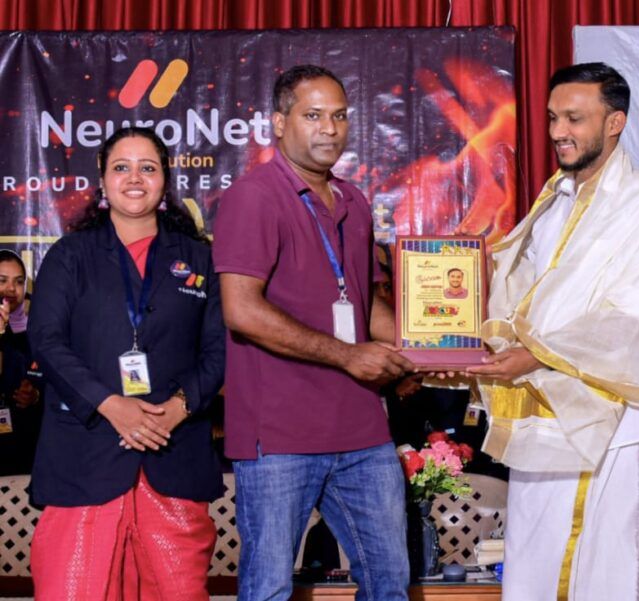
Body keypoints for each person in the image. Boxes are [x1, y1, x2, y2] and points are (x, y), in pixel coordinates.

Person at [467, 62, 639, 600]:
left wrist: (534, 354)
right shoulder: (553, 200)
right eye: (552, 118)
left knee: (607, 568)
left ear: (615, 123)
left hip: (608, 419)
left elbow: (638, 318)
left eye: (574, 118)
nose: (558, 131)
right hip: (543, 411)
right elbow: (521, 295)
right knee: (534, 560)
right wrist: (468, 335)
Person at [213, 64, 414, 601]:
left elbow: (366, 304)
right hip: (280, 435)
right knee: (268, 589)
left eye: (340, 116)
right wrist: (348, 356)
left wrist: (430, 345)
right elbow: (241, 310)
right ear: (279, 123)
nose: (330, 128)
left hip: (362, 429)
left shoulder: (354, 200)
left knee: (390, 584)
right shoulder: (254, 196)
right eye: (314, 115)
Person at [28, 127, 225, 599]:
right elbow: (46, 340)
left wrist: (179, 407)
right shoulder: (70, 255)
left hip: (172, 453)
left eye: (147, 168)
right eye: (122, 167)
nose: (134, 178)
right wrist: (109, 404)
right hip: (85, 457)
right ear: (102, 177)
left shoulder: (200, 259)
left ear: (165, 179)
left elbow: (221, 349)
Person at [0, 250, 44, 476]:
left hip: (27, 445)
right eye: (2, 280)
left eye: (18, 282)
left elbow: (55, 381)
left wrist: (35, 395)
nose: (11, 289)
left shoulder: (38, 329)